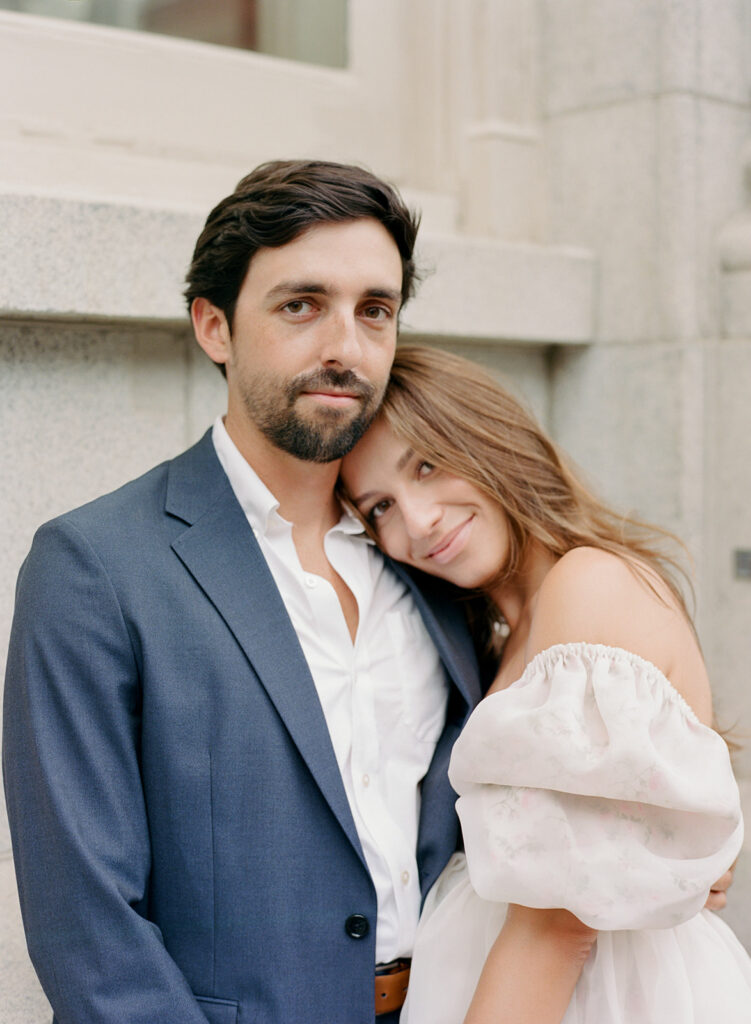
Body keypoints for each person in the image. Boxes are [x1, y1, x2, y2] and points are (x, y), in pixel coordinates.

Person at [2, 162, 484, 1024]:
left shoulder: (430, 551)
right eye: (301, 305)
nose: (345, 347)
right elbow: (88, 928)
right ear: (214, 326)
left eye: (374, 310)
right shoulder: (94, 566)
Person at [340, 344, 751, 1024]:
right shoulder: (509, 639)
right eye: (379, 507)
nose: (417, 521)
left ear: (490, 439)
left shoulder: (586, 588)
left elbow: (557, 928)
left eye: (427, 465)